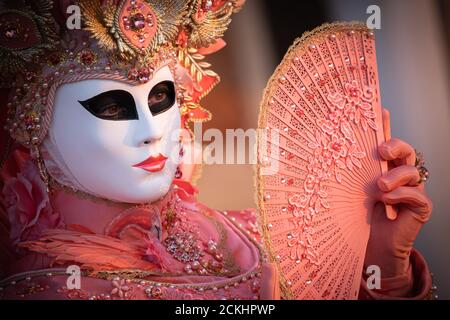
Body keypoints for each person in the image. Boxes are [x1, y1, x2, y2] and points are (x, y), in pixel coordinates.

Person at [0, 0, 434, 300]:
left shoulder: (253, 237)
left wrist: (383, 266)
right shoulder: (47, 288)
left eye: (160, 98)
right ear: (33, 125)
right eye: (111, 106)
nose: (151, 132)